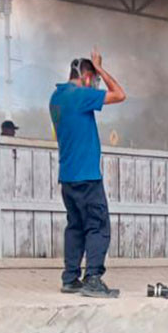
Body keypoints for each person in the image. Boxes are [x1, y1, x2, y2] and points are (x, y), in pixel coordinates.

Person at [49, 48, 126, 297]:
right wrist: (100, 68)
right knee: (98, 226)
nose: (96, 84)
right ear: (86, 77)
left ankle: (70, 278)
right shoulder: (80, 95)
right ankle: (93, 278)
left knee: (75, 227)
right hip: (87, 177)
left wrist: (92, 75)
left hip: (68, 177)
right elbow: (120, 95)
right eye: (94, 79)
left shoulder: (57, 98)